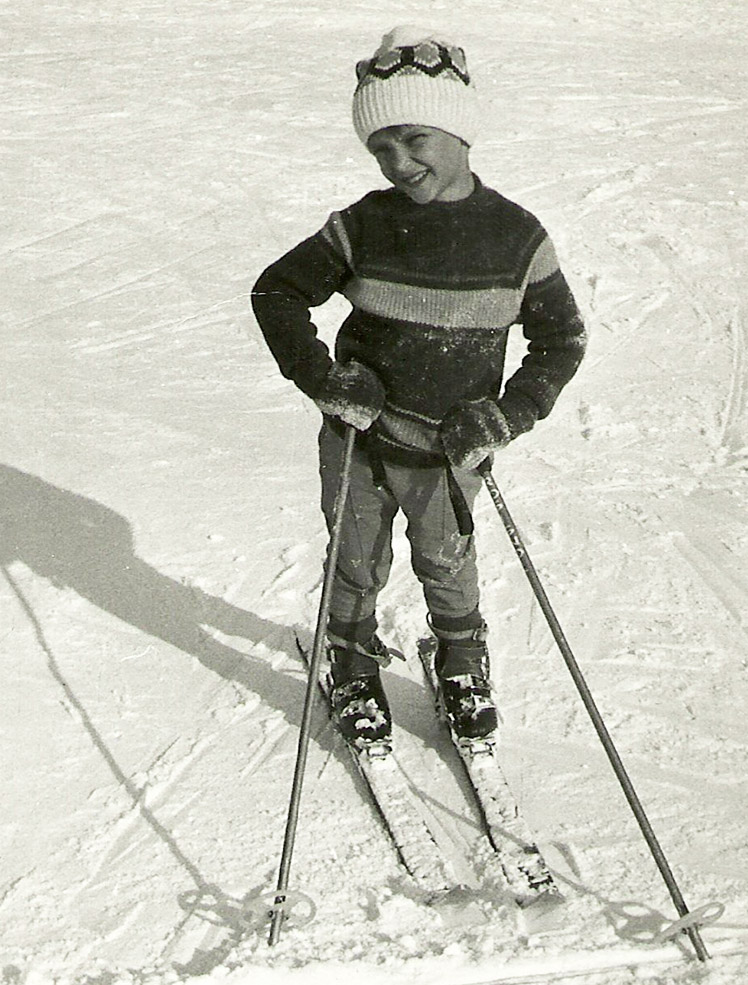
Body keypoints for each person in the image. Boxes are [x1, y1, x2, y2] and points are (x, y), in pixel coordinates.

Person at [251, 26, 586, 750]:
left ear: (459, 129)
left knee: (446, 559)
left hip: (448, 451)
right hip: (359, 439)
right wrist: (324, 376)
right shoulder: (363, 227)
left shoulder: (517, 239)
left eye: (413, 139)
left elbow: (561, 341)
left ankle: (462, 660)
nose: (398, 163)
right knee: (356, 556)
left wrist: (507, 414)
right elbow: (277, 292)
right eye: (381, 149)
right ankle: (348, 653)